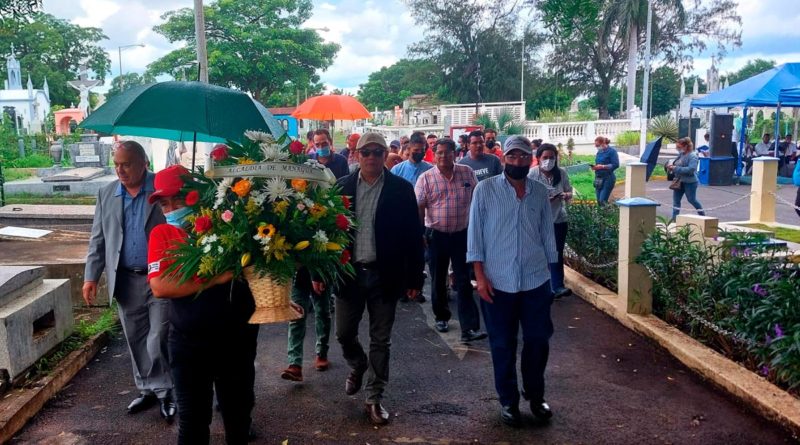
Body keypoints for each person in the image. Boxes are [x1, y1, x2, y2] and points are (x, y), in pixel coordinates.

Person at [146, 165, 263, 444]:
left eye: (178, 199)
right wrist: (214, 279)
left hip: (235, 341)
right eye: (165, 203)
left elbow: (257, 265)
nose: (171, 208)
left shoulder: (228, 225)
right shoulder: (163, 235)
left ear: (196, 195)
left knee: (238, 419)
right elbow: (161, 286)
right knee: (193, 423)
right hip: (188, 345)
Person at [318, 132, 424, 425]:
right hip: (349, 275)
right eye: (367, 152)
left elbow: (414, 238)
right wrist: (319, 273)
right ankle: (357, 364)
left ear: (384, 156)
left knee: (381, 340)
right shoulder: (341, 188)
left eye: (378, 152)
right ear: (357, 155)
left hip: (385, 276)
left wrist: (415, 279)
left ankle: (374, 398)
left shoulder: (401, 190)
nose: (372, 157)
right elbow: (324, 235)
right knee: (343, 334)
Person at [467, 135, 558, 427]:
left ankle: (535, 394)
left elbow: (547, 232)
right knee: (503, 344)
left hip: (535, 280)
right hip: (497, 282)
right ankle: (508, 401)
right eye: (513, 156)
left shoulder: (539, 191)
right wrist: (479, 277)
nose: (517, 162)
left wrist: (552, 276)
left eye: (523, 157)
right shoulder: (485, 190)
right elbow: (475, 236)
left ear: (529, 159)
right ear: (504, 158)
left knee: (537, 341)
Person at [83, 140, 174, 421]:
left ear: (143, 162)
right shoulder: (107, 193)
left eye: (126, 164)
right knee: (135, 338)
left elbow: (180, 224)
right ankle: (148, 389)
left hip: (160, 277)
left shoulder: (161, 188)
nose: (120, 170)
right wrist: (91, 277)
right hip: (125, 278)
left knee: (158, 336)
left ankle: (166, 390)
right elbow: (98, 239)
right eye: (116, 165)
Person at [281, 130, 351, 383]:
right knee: (297, 312)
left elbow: (328, 236)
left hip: (320, 264)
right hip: (299, 267)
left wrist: (319, 271)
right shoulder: (291, 204)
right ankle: (294, 363)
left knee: (322, 311)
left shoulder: (324, 205)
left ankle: (321, 352)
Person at [415, 138, 486, 342]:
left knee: (463, 281)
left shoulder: (467, 173)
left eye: (447, 152)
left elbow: (477, 200)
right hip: (435, 235)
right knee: (438, 279)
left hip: (462, 235)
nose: (443, 156)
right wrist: (420, 234)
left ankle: (469, 328)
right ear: (434, 154)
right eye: (439, 153)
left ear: (455, 153)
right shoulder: (426, 178)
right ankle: (441, 316)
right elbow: (419, 207)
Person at [528, 143, 573, 299]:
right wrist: (545, 199)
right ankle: (541, 285)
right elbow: (527, 197)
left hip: (559, 219)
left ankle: (557, 286)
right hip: (538, 221)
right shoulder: (532, 175)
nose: (548, 161)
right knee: (540, 253)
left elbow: (569, 190)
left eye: (551, 158)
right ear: (538, 158)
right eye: (545, 158)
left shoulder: (561, 173)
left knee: (556, 253)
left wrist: (566, 195)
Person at [667, 137, 706, 222]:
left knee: (691, 199)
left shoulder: (693, 156)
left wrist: (676, 168)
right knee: (676, 201)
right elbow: (677, 164)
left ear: (686, 146)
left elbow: (691, 170)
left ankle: (702, 215)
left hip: (690, 182)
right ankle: (674, 219)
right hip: (678, 181)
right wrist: (671, 167)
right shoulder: (681, 155)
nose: (678, 149)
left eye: (679, 147)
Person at [592, 136, 619, 205]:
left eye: (597, 145)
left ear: (603, 143)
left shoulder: (612, 151)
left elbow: (616, 164)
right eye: (595, 145)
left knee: (602, 200)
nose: (596, 147)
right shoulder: (599, 152)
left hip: (608, 178)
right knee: (598, 201)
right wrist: (595, 167)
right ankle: (602, 214)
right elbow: (598, 163)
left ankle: (607, 213)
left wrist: (603, 166)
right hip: (598, 178)